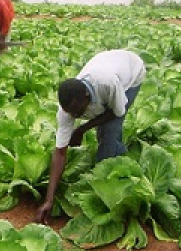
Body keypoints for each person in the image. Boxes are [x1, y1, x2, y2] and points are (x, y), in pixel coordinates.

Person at [35, 49, 147, 224]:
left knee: (108, 131)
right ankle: (119, 160)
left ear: (86, 98)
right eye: (70, 113)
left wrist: (81, 129)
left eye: (77, 112)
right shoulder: (67, 110)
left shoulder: (106, 83)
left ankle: (111, 179)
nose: (74, 116)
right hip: (109, 63)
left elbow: (117, 112)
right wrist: (48, 200)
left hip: (131, 72)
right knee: (104, 133)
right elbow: (60, 153)